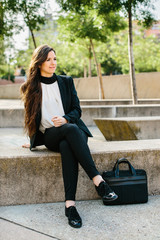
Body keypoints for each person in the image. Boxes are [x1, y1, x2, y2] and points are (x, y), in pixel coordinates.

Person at [20, 44, 118, 229]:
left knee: (68, 140)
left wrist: (65, 119)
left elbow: (77, 110)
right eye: (48, 59)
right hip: (51, 135)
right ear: (39, 62)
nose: (52, 63)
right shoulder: (32, 87)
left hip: (73, 132)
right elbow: (31, 118)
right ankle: (99, 181)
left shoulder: (66, 81)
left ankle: (70, 206)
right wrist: (32, 141)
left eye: (54, 59)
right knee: (69, 132)